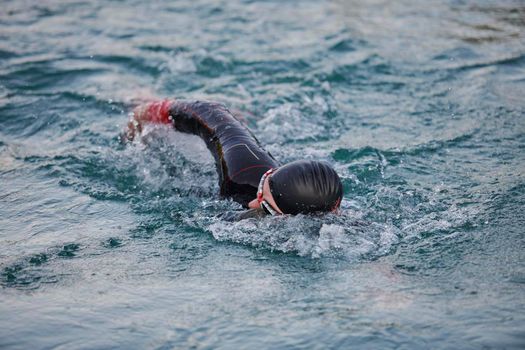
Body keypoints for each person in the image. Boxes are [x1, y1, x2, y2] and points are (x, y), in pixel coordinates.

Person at [123, 99, 343, 219]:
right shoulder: (242, 169)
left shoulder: (338, 229)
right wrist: (148, 111)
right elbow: (208, 113)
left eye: (265, 207)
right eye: (261, 190)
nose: (253, 202)